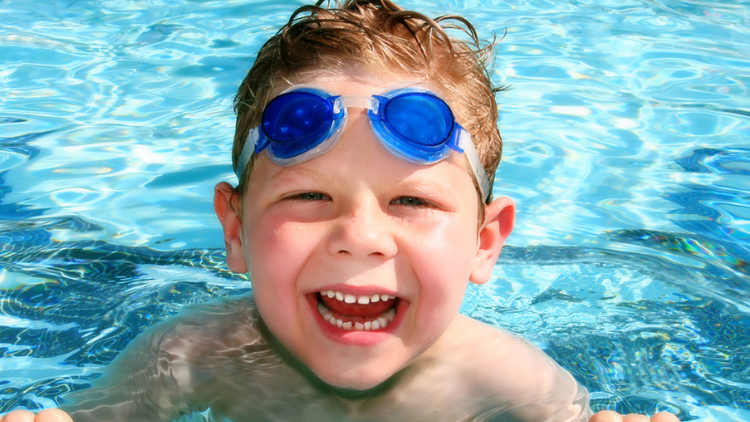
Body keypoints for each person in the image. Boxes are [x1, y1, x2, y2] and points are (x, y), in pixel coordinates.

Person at [1, 1, 680, 421]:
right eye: (308, 197)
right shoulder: (189, 356)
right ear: (235, 230)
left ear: (485, 242)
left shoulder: (511, 382)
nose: (359, 238)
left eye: (411, 200)